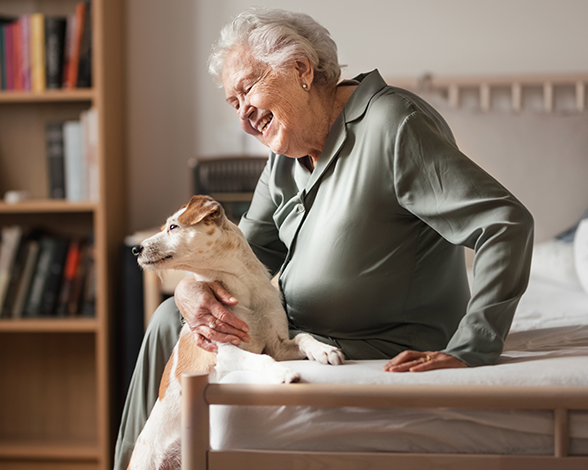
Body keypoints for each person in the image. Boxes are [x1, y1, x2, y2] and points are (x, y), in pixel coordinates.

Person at [114, 7, 533, 469]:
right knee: (169, 320)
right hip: (300, 333)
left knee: (177, 328)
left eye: (247, 89)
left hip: (382, 341)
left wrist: (471, 348)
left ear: (300, 69)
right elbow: (242, 256)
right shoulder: (285, 158)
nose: (244, 119)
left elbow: (504, 222)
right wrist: (192, 289)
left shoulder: (393, 125)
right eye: (233, 103)